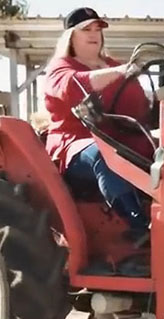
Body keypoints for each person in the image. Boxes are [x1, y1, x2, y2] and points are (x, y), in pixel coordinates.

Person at [44, 7, 152, 234]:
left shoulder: (113, 66)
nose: (94, 34)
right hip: (75, 144)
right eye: (86, 29)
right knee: (104, 155)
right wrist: (121, 72)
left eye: (97, 29)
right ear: (71, 36)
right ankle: (139, 226)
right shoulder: (60, 67)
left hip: (118, 140)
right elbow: (73, 86)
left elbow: (139, 107)